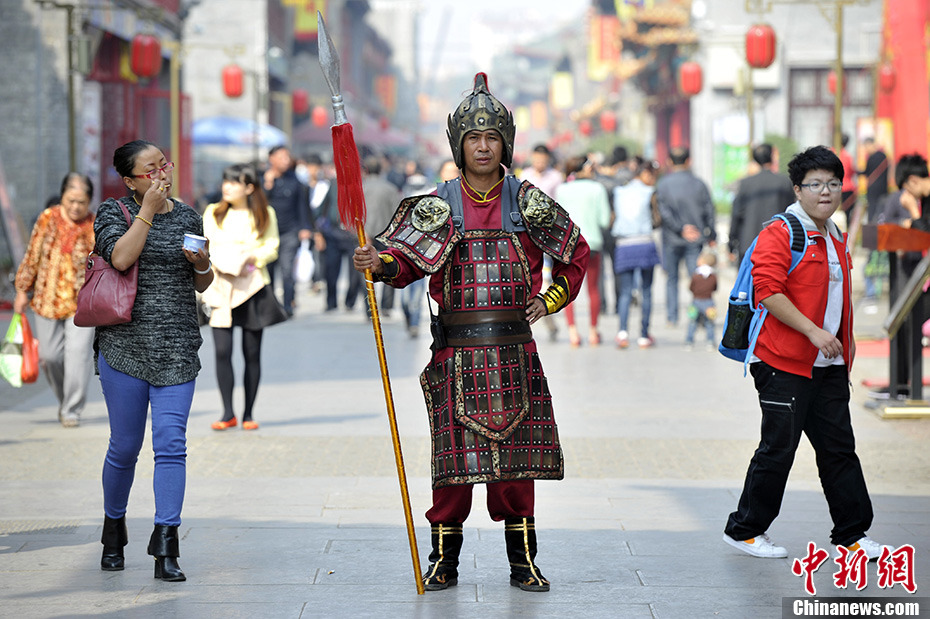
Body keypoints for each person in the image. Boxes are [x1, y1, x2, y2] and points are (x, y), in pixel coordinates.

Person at [353, 73, 589, 592]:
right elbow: (405, 263)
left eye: (492, 138)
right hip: (455, 355)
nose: (483, 147)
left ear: (505, 141)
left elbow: (577, 254)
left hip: (513, 352)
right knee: (451, 467)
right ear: (459, 144)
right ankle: (444, 561)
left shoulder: (529, 202)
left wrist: (549, 300)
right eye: (473, 139)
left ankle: (523, 562)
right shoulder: (436, 205)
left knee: (515, 470)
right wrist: (380, 263)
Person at [723, 145, 886, 561]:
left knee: (839, 448)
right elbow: (768, 291)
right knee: (779, 448)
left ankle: (852, 533)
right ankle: (744, 530)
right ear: (797, 189)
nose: (826, 192)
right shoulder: (781, 232)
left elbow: (840, 297)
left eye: (833, 183)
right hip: (782, 361)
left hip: (828, 364)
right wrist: (814, 332)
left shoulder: (835, 235)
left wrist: (843, 347)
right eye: (815, 184)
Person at [94, 139, 213, 581]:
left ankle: (167, 541)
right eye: (150, 169)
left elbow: (203, 283)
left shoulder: (187, 214)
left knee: (171, 444)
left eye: (164, 164)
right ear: (129, 180)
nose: (162, 173)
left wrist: (201, 263)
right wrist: (147, 209)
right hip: (125, 347)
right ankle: (113, 526)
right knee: (124, 448)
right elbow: (121, 257)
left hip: (178, 346)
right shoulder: (113, 213)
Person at [201, 163, 288, 432]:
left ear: (249, 187)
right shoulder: (212, 212)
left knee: (252, 353)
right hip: (220, 287)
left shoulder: (264, 213)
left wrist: (251, 258)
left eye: (234, 182)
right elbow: (207, 243)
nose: (227, 187)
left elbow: (271, 247)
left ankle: (248, 413)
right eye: (225, 181)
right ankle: (228, 412)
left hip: (252, 287)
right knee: (222, 351)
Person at [13, 173, 96, 427]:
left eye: (81, 202)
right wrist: (21, 289)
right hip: (46, 298)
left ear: (89, 201)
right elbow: (33, 255)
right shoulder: (47, 218)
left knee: (78, 354)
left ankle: (72, 409)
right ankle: (64, 400)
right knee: (50, 356)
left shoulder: (95, 224)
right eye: (71, 200)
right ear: (62, 197)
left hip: (82, 302)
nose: (75, 207)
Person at [655, 146, 716, 325]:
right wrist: (711, 233)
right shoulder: (699, 184)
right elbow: (709, 210)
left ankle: (672, 317)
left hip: (672, 238)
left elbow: (663, 211)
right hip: (695, 238)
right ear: (689, 161)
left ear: (670, 162)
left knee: (672, 279)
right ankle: (699, 315)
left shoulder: (663, 184)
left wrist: (680, 228)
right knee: (697, 278)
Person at [556, 155, 611, 347]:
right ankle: (593, 332)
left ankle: (573, 332)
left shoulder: (562, 189)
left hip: (568, 245)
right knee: (593, 288)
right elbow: (604, 220)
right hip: (592, 243)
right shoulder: (597, 189)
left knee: (568, 288)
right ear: (586, 168)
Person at [612, 158, 661, 349]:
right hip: (645, 243)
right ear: (646, 174)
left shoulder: (619, 192)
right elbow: (657, 219)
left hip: (624, 244)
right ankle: (643, 335)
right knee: (646, 291)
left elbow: (613, 216)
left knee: (625, 292)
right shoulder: (650, 192)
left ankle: (622, 332)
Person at [727, 143, 795, 264]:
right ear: (772, 157)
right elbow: (792, 212)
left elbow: (736, 214)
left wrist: (732, 242)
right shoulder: (785, 182)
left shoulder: (745, 183)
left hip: (748, 243)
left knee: (748, 281)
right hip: (777, 243)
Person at [263, 145, 311, 317]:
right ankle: (270, 306)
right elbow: (258, 204)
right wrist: (268, 184)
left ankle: (288, 305)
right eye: (282, 157)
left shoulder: (295, 180)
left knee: (287, 270)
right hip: (267, 234)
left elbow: (302, 206)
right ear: (272, 159)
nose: (286, 160)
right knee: (267, 271)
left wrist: (305, 227)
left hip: (289, 232)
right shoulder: (263, 179)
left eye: (287, 157)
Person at [362, 155, 403, 317]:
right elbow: (397, 213)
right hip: (387, 234)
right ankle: (387, 306)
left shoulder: (361, 188)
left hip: (365, 234)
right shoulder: (390, 188)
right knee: (388, 266)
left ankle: (369, 306)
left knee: (365, 269)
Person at [859, 138, 890, 301]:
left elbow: (865, 172)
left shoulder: (873, 157)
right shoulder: (884, 156)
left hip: (873, 206)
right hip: (882, 203)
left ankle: (871, 291)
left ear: (870, 144)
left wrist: (857, 173)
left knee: (872, 246)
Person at [685, 251, 717, 349]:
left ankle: (689, 341)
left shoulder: (696, 275)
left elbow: (691, 287)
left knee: (692, 322)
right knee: (709, 323)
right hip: (709, 301)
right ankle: (710, 342)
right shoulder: (713, 276)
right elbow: (715, 288)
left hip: (696, 301)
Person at [836, 133, 858, 227]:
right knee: (847, 214)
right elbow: (852, 171)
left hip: (835, 187)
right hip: (848, 188)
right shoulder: (848, 156)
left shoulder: (832, 153)